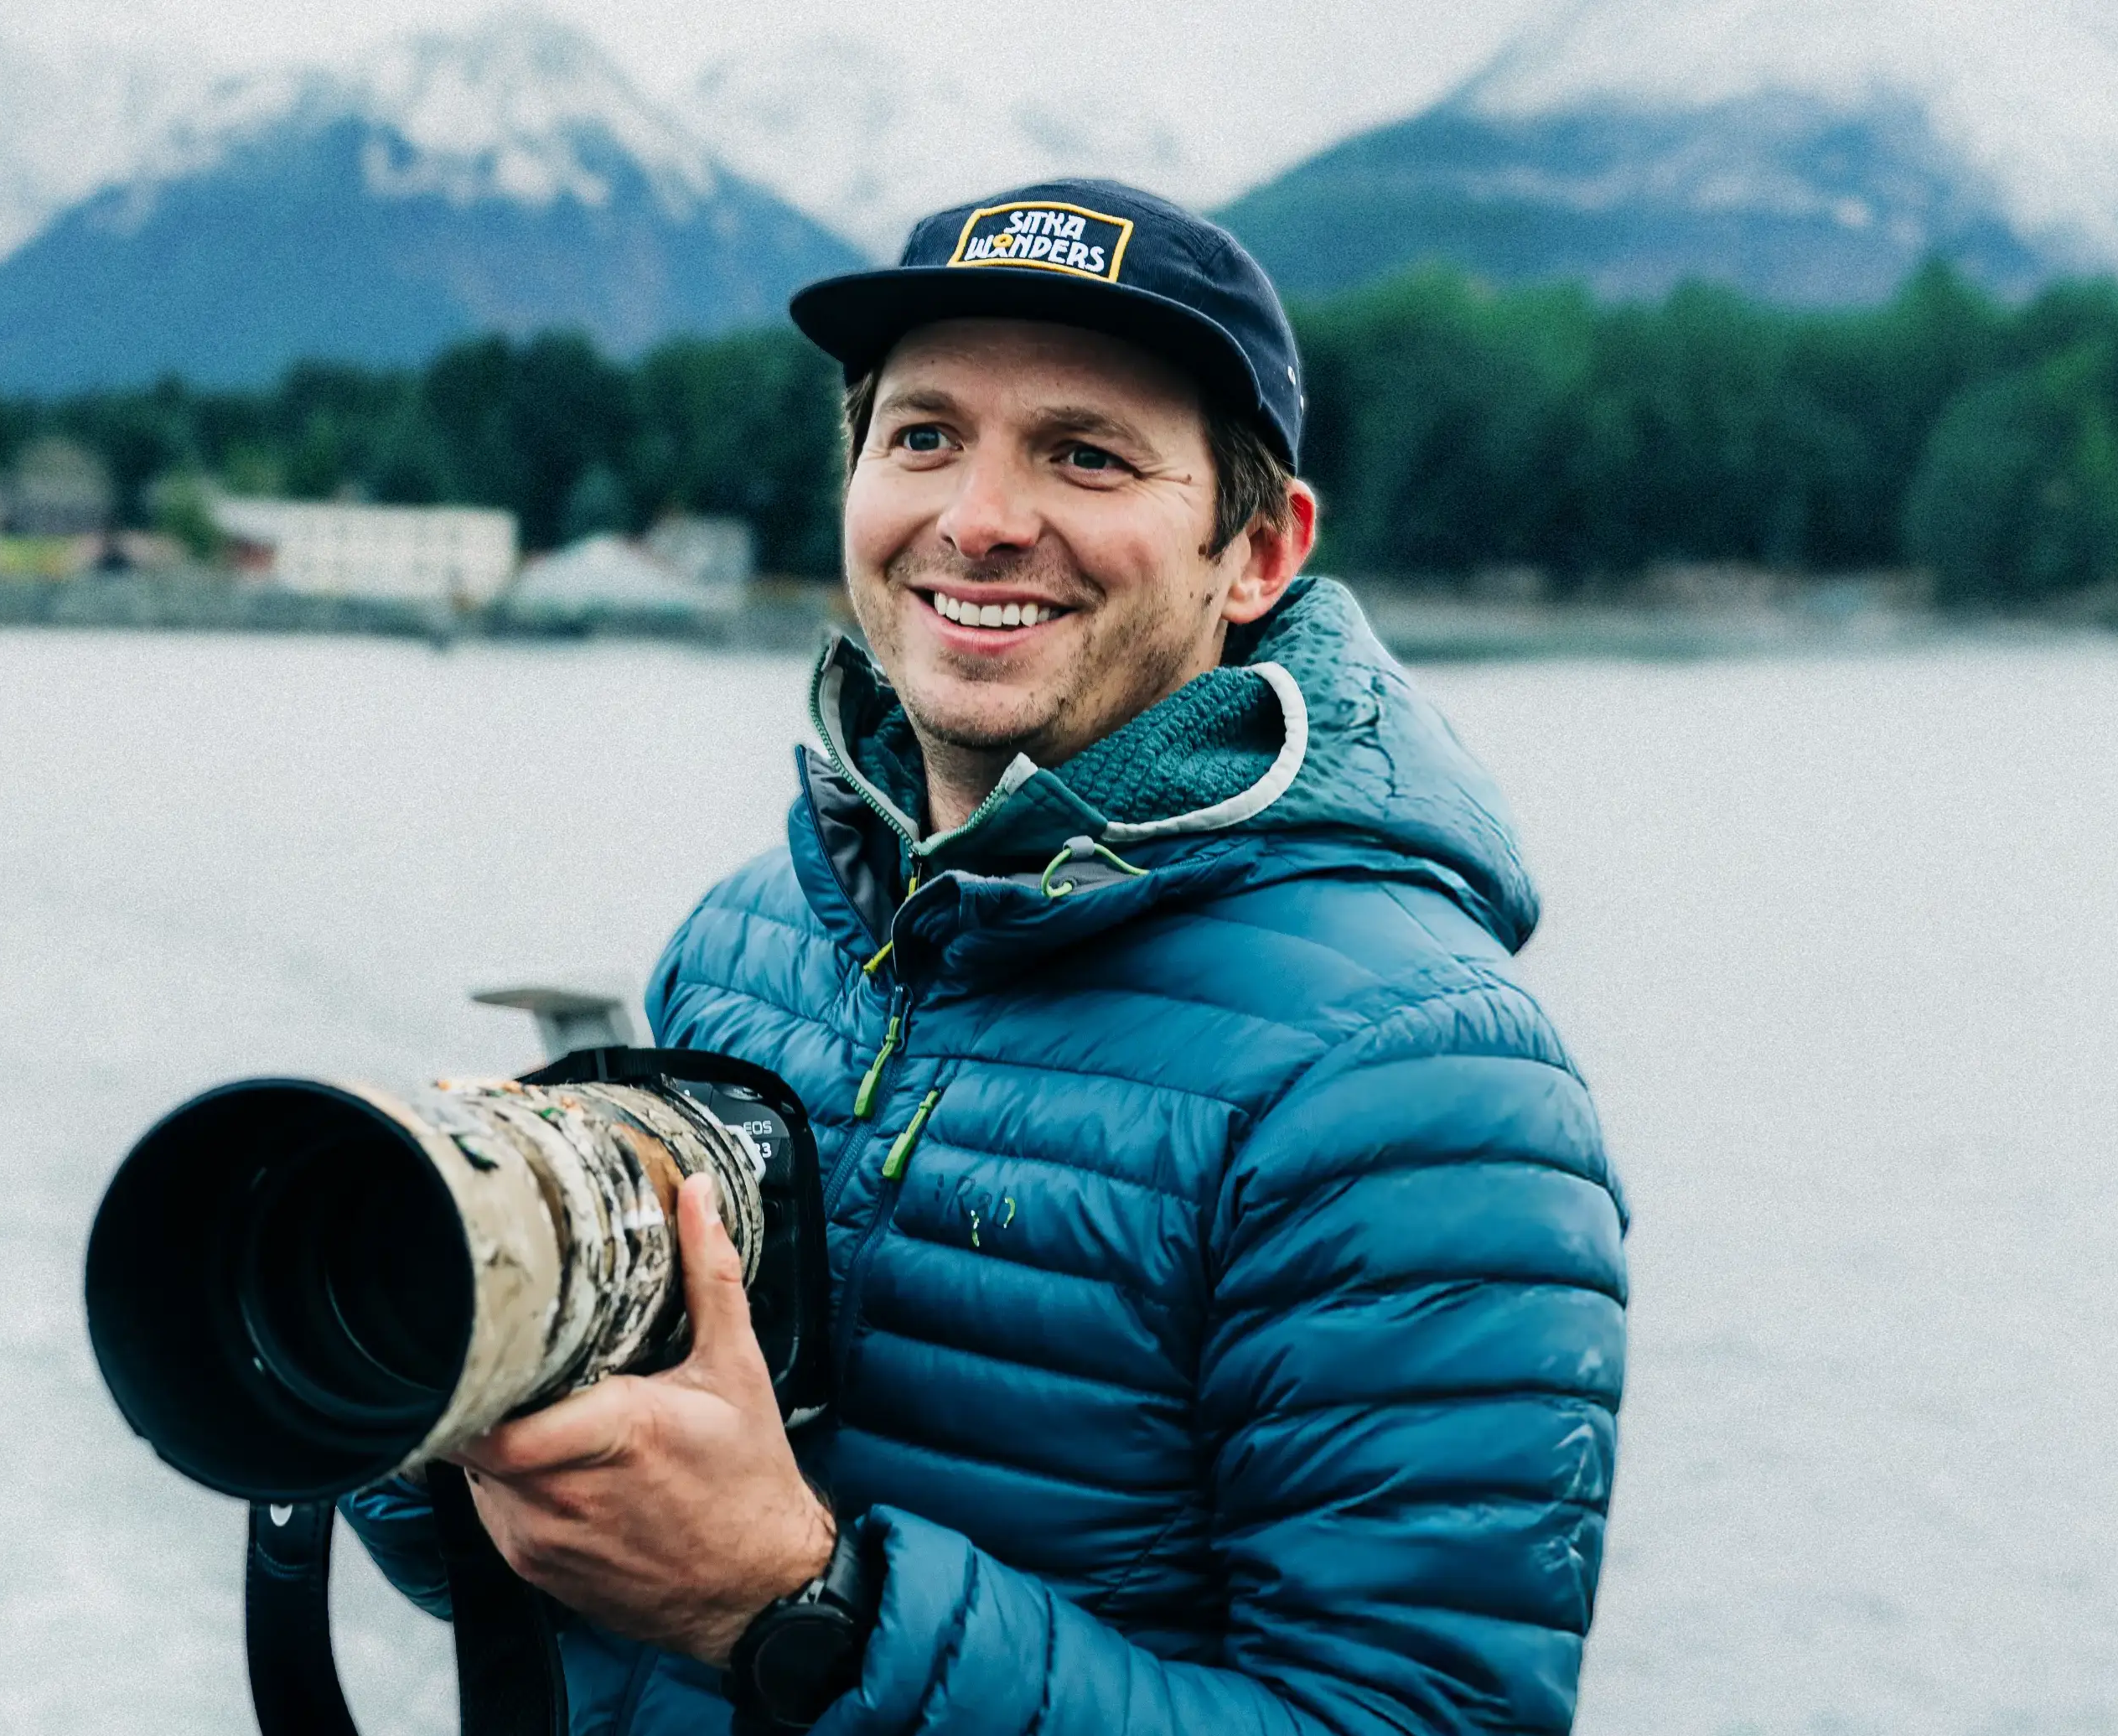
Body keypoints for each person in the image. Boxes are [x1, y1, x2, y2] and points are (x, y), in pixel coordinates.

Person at [348, 179, 1629, 1734]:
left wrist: (802, 1608)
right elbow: (609, 1610)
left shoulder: (1417, 1075)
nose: (977, 518)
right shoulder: (747, 939)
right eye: (923, 436)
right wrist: (420, 1390)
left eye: (1083, 453)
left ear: (1256, 551)